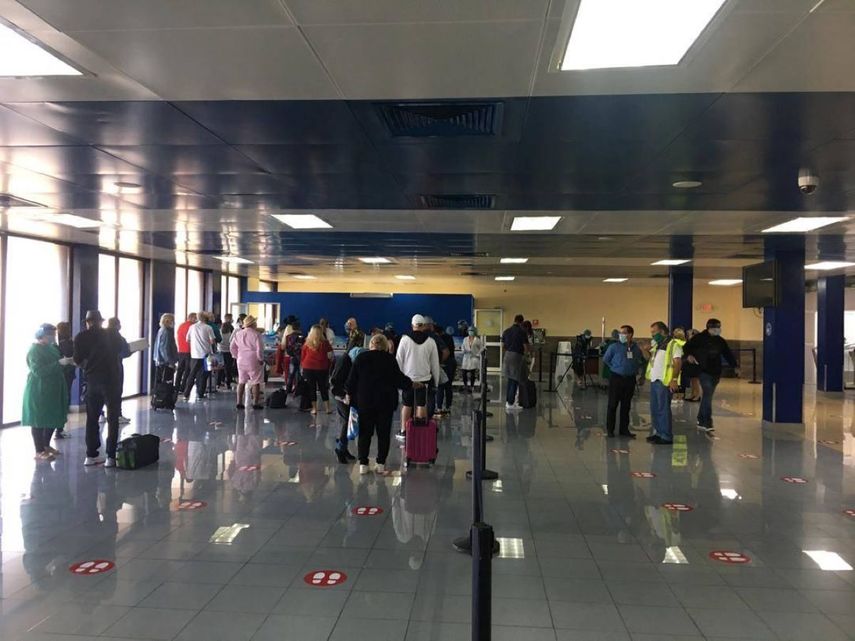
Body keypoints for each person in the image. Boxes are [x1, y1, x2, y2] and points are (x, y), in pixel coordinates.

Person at [347, 334, 412, 475]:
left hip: (365, 402)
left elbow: (351, 382)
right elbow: (399, 379)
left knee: (364, 434)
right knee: (383, 434)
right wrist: (412, 384)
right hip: (385, 403)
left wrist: (349, 396)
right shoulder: (390, 359)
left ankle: (363, 464)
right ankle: (380, 463)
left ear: (370, 344)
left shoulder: (361, 358)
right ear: (385, 345)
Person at [73, 310, 125, 467]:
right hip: (112, 381)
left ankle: (91, 455)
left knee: (92, 419)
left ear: (87, 322)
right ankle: (110, 456)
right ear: (101, 321)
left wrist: (88, 366)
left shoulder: (80, 337)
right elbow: (125, 350)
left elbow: (77, 360)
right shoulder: (112, 334)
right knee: (113, 418)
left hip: (92, 381)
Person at [23, 324, 70, 460]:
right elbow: (38, 371)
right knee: (38, 420)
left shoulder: (52, 348)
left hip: (53, 389)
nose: (52, 337)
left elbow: (58, 364)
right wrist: (58, 364)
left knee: (52, 418)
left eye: (54, 334)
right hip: (39, 390)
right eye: (50, 334)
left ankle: (46, 445)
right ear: (41, 335)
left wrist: (67, 363)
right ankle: (39, 450)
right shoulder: (34, 351)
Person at [684, 318, 738, 433]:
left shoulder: (720, 341)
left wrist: (735, 366)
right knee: (707, 395)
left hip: (716, 372)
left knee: (707, 397)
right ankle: (707, 421)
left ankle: (700, 419)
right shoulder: (698, 339)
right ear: (709, 328)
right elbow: (686, 347)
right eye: (715, 328)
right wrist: (689, 355)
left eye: (719, 328)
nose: (717, 330)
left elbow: (727, 353)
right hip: (703, 371)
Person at [396, 314, 440, 438]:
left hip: (408, 379)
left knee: (406, 405)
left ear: (412, 325)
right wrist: (435, 383)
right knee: (421, 404)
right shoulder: (431, 342)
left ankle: (404, 431)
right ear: (424, 326)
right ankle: (420, 431)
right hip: (424, 379)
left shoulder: (404, 340)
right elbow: (435, 364)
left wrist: (398, 380)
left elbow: (398, 360)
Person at [642, 321, 682, 445]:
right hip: (655, 380)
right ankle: (658, 433)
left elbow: (677, 362)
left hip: (665, 382)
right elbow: (649, 359)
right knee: (654, 408)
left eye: (654, 332)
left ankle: (666, 436)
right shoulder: (658, 344)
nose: (653, 335)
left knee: (663, 409)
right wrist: (645, 350)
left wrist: (674, 379)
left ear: (663, 331)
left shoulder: (673, 344)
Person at [602, 325, 644, 439]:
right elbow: (606, 359)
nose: (621, 335)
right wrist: (614, 367)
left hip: (630, 379)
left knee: (626, 405)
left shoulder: (636, 348)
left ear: (630, 334)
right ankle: (610, 429)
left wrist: (640, 374)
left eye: (624, 333)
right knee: (612, 404)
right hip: (617, 377)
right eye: (621, 333)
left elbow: (640, 361)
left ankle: (624, 429)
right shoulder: (614, 347)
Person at [331, 346, 363, 464]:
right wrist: (344, 396)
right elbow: (335, 382)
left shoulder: (346, 359)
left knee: (347, 421)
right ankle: (340, 448)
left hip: (344, 395)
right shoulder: (345, 362)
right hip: (342, 396)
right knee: (347, 421)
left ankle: (343, 448)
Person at [230, 315, 265, 410]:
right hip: (253, 359)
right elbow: (259, 349)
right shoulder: (257, 334)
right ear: (253, 323)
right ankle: (255, 403)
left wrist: (236, 356)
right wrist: (260, 359)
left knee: (241, 381)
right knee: (256, 381)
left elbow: (232, 347)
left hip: (241, 359)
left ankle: (239, 402)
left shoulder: (238, 334)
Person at [301, 324, 334, 415]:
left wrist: (303, 365)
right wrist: (328, 365)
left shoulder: (307, 343)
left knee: (311, 388)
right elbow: (331, 356)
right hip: (322, 368)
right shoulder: (325, 343)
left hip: (308, 367)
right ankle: (327, 408)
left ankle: (314, 409)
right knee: (323, 388)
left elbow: (302, 356)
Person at [184, 311, 215, 401]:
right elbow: (212, 341)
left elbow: (187, 339)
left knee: (192, 374)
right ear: (206, 318)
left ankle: (186, 393)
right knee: (204, 374)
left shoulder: (192, 327)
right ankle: (201, 393)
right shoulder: (208, 327)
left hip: (194, 355)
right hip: (206, 355)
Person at [106, 318, 132, 424]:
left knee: (105, 391)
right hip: (116, 367)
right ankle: (117, 415)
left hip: (103, 368)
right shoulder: (119, 338)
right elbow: (125, 352)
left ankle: (102, 414)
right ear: (117, 325)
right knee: (117, 392)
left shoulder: (102, 336)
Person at [501, 314, 529, 410]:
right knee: (515, 380)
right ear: (521, 322)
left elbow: (503, 347)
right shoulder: (522, 332)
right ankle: (511, 403)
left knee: (510, 379)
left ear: (514, 320)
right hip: (517, 356)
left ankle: (508, 401)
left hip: (507, 355)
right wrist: (526, 357)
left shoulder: (506, 331)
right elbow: (525, 347)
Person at [55, 321, 75, 439]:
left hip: (63, 374)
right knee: (64, 401)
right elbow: (71, 355)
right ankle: (60, 429)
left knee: (62, 400)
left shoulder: (57, 343)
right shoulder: (67, 343)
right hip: (67, 374)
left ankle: (59, 428)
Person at [435, 325, 457, 416]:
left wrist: (440, 362)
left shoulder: (439, 339)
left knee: (440, 386)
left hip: (444, 363)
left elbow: (445, 352)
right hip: (452, 362)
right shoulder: (449, 337)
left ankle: (439, 407)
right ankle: (448, 407)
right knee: (448, 386)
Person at [154, 313, 178, 385]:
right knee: (166, 382)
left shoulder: (162, 330)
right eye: (172, 321)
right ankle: (165, 396)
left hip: (161, 360)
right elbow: (164, 348)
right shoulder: (166, 332)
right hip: (165, 362)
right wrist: (170, 362)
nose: (174, 323)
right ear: (168, 321)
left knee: (162, 381)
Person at [175, 312, 197, 392]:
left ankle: (177, 386)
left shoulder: (181, 325)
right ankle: (183, 387)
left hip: (180, 350)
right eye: (195, 318)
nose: (196, 320)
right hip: (188, 350)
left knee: (180, 370)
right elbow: (189, 338)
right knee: (187, 370)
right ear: (190, 318)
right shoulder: (191, 326)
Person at [461, 326, 483, 392]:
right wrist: (464, 350)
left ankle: (472, 386)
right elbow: (462, 346)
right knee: (464, 373)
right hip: (466, 358)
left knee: (472, 373)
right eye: (469, 331)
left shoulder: (477, 340)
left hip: (473, 358)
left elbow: (482, 348)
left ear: (474, 332)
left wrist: (477, 354)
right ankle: (465, 385)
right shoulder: (465, 339)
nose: (470, 332)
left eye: (472, 331)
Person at [682, 328, 702, 401]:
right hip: (690, 364)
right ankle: (693, 394)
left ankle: (697, 395)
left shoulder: (698, 344)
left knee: (696, 380)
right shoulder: (689, 343)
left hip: (696, 363)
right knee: (692, 380)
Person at [285, 321, 304, 393]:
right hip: (300, 358)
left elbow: (287, 347)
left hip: (292, 357)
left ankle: (288, 390)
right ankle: (298, 390)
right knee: (299, 375)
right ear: (299, 327)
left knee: (291, 374)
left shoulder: (288, 337)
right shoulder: (302, 337)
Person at [219, 315, 235, 389]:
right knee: (229, 367)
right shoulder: (230, 334)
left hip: (221, 351)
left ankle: (220, 381)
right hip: (229, 351)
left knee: (222, 366)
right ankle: (228, 381)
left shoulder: (220, 332)